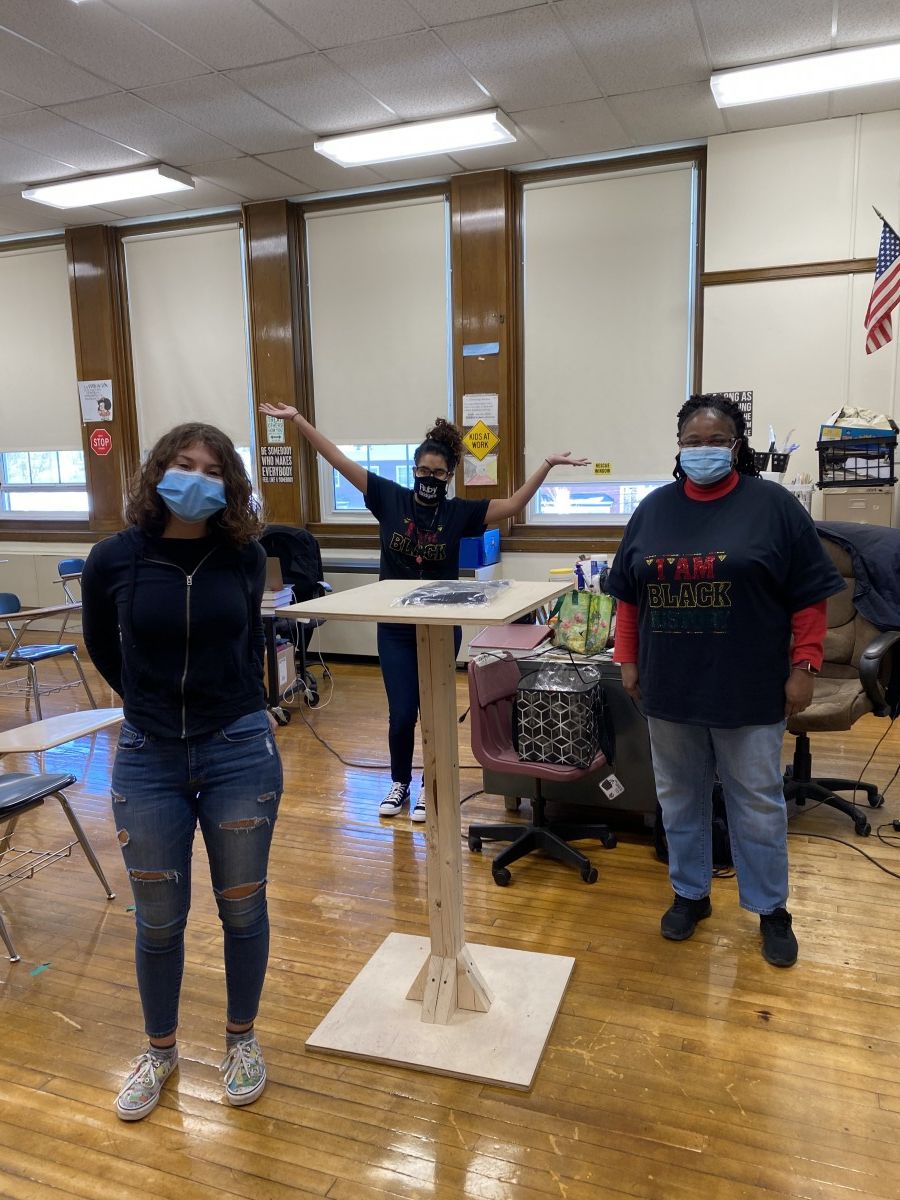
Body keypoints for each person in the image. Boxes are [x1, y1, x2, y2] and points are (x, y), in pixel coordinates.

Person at [81, 422, 282, 1121]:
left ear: (229, 484)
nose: (195, 478)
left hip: (237, 748)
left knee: (242, 906)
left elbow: (247, 641)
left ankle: (241, 1040)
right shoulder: (114, 559)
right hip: (149, 757)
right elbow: (103, 647)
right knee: (159, 921)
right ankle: (160, 1052)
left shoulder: (244, 556)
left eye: (211, 469)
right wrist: (149, 701)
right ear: (158, 471)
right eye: (182, 464)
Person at [259, 402, 588, 820]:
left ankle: (432, 783)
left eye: (437, 474)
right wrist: (298, 421)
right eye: (422, 471)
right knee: (402, 714)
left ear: (449, 476)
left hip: (437, 628)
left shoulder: (459, 513)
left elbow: (512, 504)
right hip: (395, 629)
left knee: (434, 712)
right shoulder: (389, 499)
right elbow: (338, 459)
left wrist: (546, 465)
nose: (428, 480)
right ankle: (399, 782)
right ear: (413, 469)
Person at [608, 393, 844, 967]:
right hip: (670, 686)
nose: (704, 450)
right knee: (680, 798)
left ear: (737, 446)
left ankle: (771, 910)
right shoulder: (654, 510)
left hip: (749, 686)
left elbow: (809, 597)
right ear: (679, 448)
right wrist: (629, 662)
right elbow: (630, 599)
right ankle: (690, 894)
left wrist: (804, 666)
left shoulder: (774, 507)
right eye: (693, 442)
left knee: (757, 803)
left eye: (716, 441)